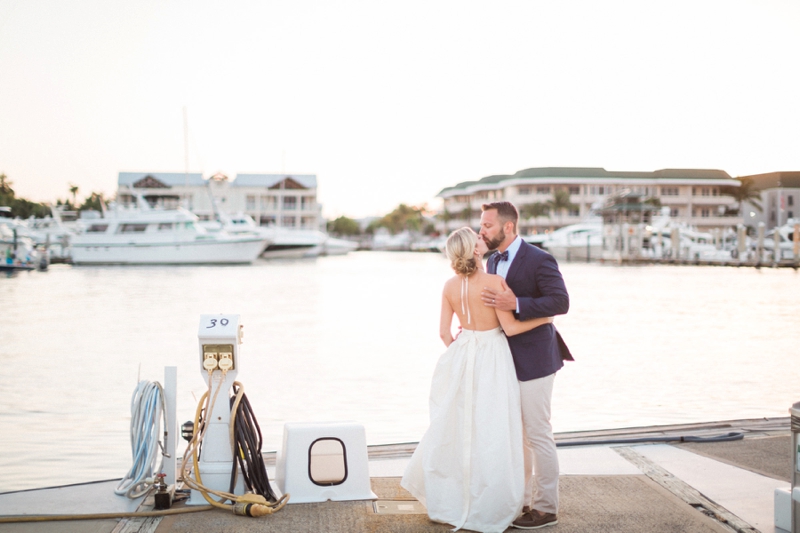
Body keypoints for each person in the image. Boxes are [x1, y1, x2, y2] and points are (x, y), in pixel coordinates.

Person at [401, 227, 554, 533]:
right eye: (479, 240)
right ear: (474, 250)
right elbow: (509, 329)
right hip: (494, 357)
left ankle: (456, 497)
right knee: (495, 427)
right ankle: (495, 498)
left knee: (461, 427)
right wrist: (545, 318)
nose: (483, 242)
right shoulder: (495, 282)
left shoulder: (448, 286)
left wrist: (463, 353)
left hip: (462, 356)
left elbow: (445, 333)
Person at [479, 201, 570, 530]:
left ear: (507, 227)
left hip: (536, 359)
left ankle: (547, 509)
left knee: (538, 434)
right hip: (503, 360)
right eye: (482, 224)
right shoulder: (491, 261)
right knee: (518, 436)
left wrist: (516, 302)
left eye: (487, 225)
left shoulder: (539, 259)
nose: (482, 230)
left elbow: (561, 302)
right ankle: (522, 501)